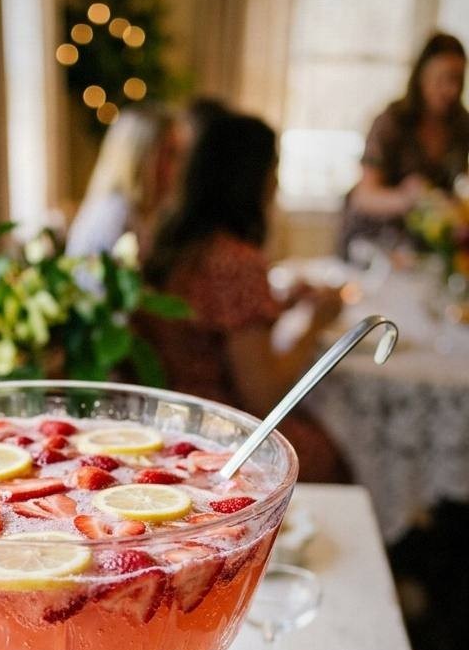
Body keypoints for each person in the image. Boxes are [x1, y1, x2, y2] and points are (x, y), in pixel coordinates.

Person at [140, 113, 349, 483]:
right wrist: (316, 322)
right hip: (222, 433)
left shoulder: (170, 242)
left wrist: (278, 304)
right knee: (337, 445)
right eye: (274, 168)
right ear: (249, 176)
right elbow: (264, 396)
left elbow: (205, 323)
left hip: (166, 416)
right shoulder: (236, 261)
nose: (276, 182)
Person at [339, 31, 469, 257]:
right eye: (441, 78)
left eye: (457, 79)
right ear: (421, 77)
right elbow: (364, 196)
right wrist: (408, 198)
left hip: (423, 249)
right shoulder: (392, 122)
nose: (450, 89)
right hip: (374, 243)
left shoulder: (461, 125)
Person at [66, 105, 176, 260]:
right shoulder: (114, 216)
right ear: (140, 159)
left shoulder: (142, 214)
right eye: (171, 154)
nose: (182, 165)